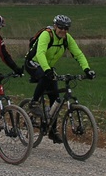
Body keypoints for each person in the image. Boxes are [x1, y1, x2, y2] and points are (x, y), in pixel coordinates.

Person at [25, 14, 96, 142]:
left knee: (56, 99)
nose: (63, 30)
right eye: (60, 27)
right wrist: (47, 70)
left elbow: (78, 54)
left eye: (66, 28)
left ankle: (52, 131)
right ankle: (34, 102)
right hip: (33, 63)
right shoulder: (47, 35)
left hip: (48, 66)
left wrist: (87, 69)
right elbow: (40, 53)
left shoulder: (67, 38)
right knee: (46, 77)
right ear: (55, 26)